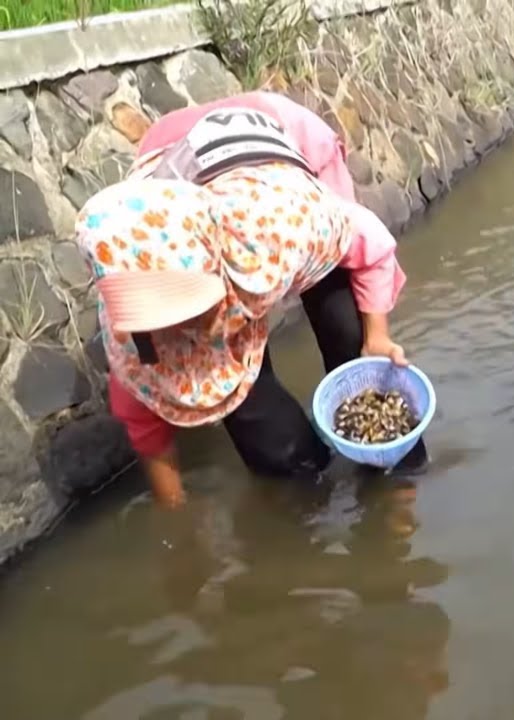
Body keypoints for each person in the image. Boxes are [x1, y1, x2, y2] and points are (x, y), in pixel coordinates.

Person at [77, 97, 424, 510]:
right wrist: (176, 510)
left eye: (193, 312)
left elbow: (371, 245)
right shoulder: (128, 301)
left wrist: (377, 336)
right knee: (266, 431)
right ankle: (305, 478)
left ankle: (395, 477)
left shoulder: (286, 227)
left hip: (280, 146)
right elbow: (141, 418)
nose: (187, 331)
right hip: (169, 164)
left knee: (349, 329)